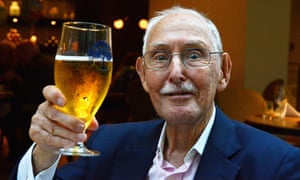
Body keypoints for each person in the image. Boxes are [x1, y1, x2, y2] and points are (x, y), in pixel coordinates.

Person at [10, 6, 300, 179]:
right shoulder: (108, 144)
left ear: (223, 71)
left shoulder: (276, 164)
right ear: (143, 76)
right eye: (160, 57)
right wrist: (46, 151)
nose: (176, 72)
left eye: (194, 54)